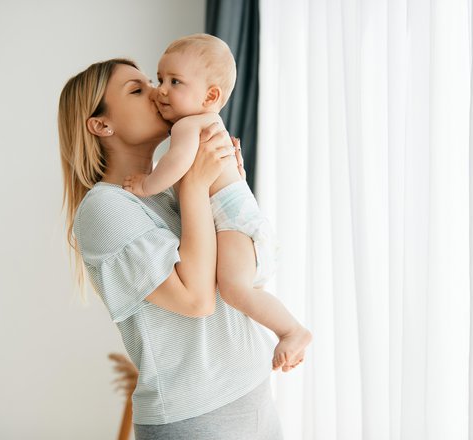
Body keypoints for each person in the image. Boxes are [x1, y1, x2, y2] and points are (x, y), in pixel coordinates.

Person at [58, 58, 283, 439]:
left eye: (154, 81)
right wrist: (197, 186)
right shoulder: (104, 208)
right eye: (138, 89)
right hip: (195, 415)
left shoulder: (171, 185)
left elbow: (242, 275)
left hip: (254, 390)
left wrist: (228, 189)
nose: (159, 91)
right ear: (101, 125)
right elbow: (197, 300)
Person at [123, 34, 311, 372]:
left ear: (211, 95)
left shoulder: (189, 125)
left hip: (235, 224)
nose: (161, 89)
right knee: (238, 296)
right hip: (240, 223)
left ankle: (292, 330)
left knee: (236, 292)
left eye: (175, 82)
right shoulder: (206, 123)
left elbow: (177, 164)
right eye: (160, 78)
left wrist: (146, 184)